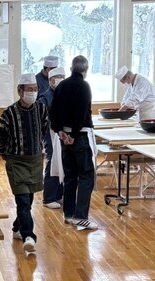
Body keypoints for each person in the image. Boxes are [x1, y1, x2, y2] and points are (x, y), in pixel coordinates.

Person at [0, 73, 49, 255]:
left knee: (29, 199)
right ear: (20, 91)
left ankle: (17, 227)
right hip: (16, 161)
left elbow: (44, 130)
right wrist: (5, 154)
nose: (33, 93)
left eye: (35, 89)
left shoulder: (41, 109)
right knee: (23, 200)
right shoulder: (9, 113)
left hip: (34, 160)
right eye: (29, 90)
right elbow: (0, 136)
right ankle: (29, 237)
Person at [51, 56, 99, 231]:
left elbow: (53, 111)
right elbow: (82, 112)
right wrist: (74, 133)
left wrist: (61, 132)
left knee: (70, 176)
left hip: (64, 137)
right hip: (79, 136)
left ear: (71, 68)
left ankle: (69, 214)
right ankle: (80, 217)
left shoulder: (62, 85)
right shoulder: (84, 86)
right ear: (85, 70)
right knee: (86, 176)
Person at [41, 66, 66, 209]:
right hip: (50, 133)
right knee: (52, 162)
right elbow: (43, 117)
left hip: (61, 133)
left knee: (61, 163)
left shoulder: (63, 94)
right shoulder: (45, 96)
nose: (61, 80)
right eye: (58, 77)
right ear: (51, 80)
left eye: (63, 76)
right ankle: (48, 197)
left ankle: (58, 195)